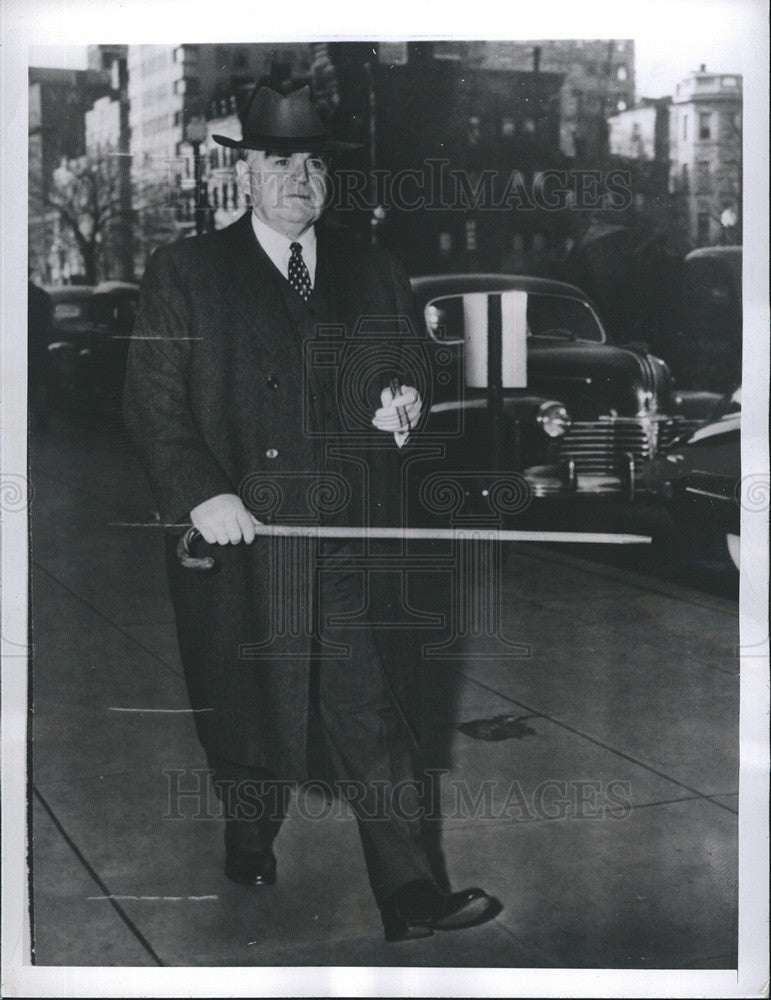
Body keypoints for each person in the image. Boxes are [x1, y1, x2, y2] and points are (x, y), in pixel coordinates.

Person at [123, 85, 496, 942]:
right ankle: (249, 833)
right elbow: (151, 405)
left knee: (370, 709)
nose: (301, 176)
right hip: (242, 538)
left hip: (344, 538)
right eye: (281, 160)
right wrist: (201, 494)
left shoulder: (374, 268)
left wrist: (401, 399)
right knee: (246, 711)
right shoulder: (187, 273)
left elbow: (408, 366)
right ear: (245, 173)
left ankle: (410, 894)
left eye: (316, 161)